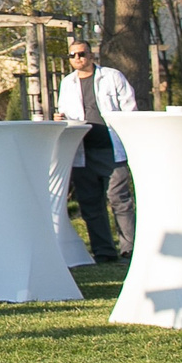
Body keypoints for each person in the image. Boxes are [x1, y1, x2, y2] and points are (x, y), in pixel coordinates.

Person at [53, 37, 139, 265]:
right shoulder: (67, 84)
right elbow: (65, 113)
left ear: (91, 56)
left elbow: (129, 108)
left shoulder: (112, 77)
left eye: (82, 54)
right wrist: (59, 119)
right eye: (73, 56)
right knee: (91, 204)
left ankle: (129, 250)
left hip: (111, 149)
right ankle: (104, 252)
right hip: (82, 151)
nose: (78, 58)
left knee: (120, 200)